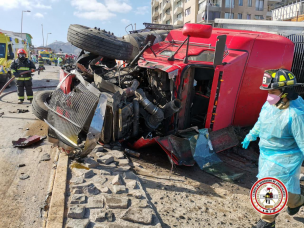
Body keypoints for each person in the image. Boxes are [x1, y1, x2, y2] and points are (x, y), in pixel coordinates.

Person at [242, 69, 304, 228]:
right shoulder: (272, 102)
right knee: (281, 190)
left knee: (271, 188)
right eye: (269, 91)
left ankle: (267, 221)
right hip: (267, 154)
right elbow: (262, 119)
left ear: (286, 92)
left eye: (273, 91)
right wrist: (251, 134)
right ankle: (297, 201)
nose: (269, 95)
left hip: (286, 159)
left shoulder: (295, 114)